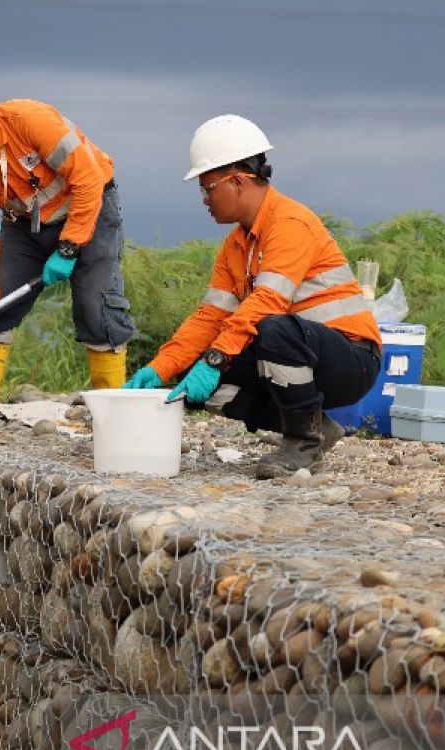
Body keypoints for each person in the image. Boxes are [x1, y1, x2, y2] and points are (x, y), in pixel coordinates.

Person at [124, 114, 381, 478]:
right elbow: (209, 318)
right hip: (297, 353)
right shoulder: (235, 245)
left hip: (351, 359)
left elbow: (268, 303)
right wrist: (160, 367)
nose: (204, 199)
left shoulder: (289, 224)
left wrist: (214, 359)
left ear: (237, 181)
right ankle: (315, 428)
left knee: (270, 330)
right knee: (199, 378)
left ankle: (302, 447)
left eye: (208, 188)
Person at [0, 59, 135, 447]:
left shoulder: (31, 121)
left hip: (91, 210)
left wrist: (69, 246)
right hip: (25, 225)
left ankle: (115, 428)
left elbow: (87, 179)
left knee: (96, 310)